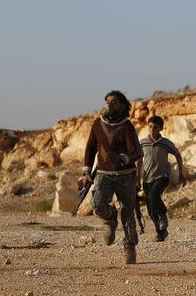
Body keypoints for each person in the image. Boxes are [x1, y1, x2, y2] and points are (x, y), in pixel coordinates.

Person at [82, 90, 142, 264]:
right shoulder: (97, 124)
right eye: (107, 101)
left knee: (128, 214)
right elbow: (90, 148)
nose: (109, 104)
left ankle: (129, 247)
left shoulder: (126, 126)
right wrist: (86, 171)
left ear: (122, 105)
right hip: (103, 174)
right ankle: (110, 219)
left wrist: (123, 158)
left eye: (114, 102)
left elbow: (136, 152)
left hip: (126, 176)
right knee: (97, 205)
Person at [136, 116, 186, 242]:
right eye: (150, 127)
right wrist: (137, 179)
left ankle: (163, 215)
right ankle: (161, 233)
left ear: (161, 129)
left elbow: (177, 155)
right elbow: (139, 162)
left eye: (156, 127)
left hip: (162, 176)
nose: (152, 130)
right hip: (147, 178)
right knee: (151, 209)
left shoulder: (165, 143)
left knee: (153, 197)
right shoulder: (142, 143)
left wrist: (181, 173)